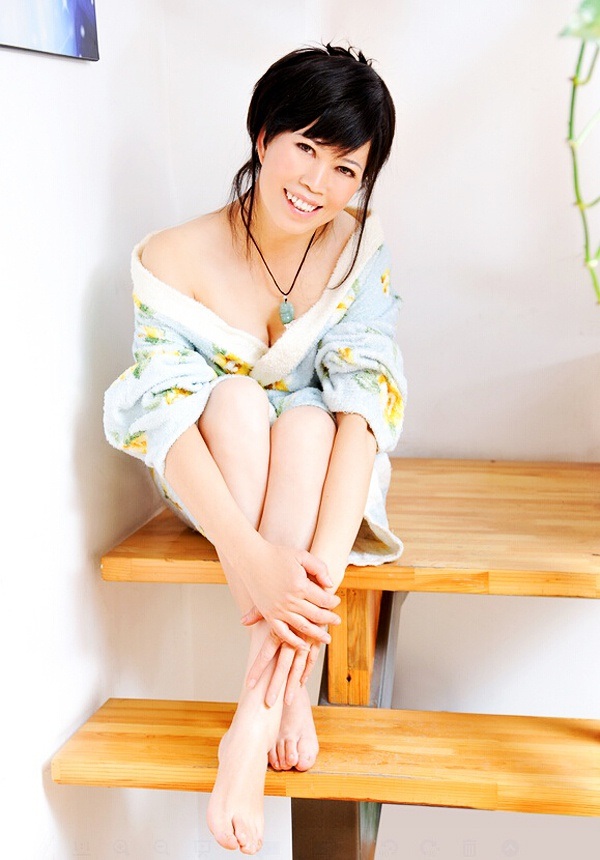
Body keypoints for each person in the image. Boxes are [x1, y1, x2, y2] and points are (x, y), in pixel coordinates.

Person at [104, 43, 406, 855]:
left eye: (346, 168)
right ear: (263, 134)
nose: (317, 183)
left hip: (322, 476)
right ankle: (283, 697)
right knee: (237, 401)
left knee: (309, 421)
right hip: (211, 474)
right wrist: (252, 558)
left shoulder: (356, 249)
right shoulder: (172, 255)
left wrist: (308, 593)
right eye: (305, 147)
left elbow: (363, 413)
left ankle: (256, 715)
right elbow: (166, 422)